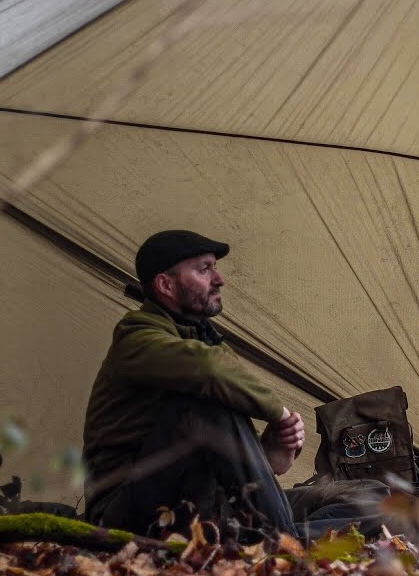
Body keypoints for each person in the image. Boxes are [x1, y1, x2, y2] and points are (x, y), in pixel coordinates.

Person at [82, 230, 388, 539]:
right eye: (204, 269)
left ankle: (281, 540)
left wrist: (267, 453)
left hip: (213, 508)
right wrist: (278, 414)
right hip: (131, 510)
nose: (219, 279)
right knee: (203, 407)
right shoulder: (137, 338)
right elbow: (209, 371)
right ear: (165, 284)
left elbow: (226, 463)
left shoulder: (203, 340)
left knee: (378, 498)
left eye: (215, 267)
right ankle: (284, 542)